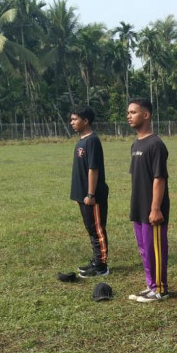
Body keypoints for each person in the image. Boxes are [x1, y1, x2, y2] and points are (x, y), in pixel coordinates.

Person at [126, 98, 170, 302]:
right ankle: (151, 284)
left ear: (146, 115)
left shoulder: (156, 144)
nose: (129, 116)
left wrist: (155, 208)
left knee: (155, 249)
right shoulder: (135, 144)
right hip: (138, 206)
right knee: (144, 248)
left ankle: (160, 288)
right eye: (128, 113)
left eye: (133, 112)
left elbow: (159, 178)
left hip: (153, 208)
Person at [69, 106, 110, 278]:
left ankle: (101, 266)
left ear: (86, 121)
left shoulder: (92, 141)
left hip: (92, 196)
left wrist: (91, 194)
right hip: (83, 195)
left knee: (97, 229)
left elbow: (93, 169)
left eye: (75, 119)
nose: (72, 122)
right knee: (90, 229)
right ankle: (96, 259)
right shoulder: (81, 141)